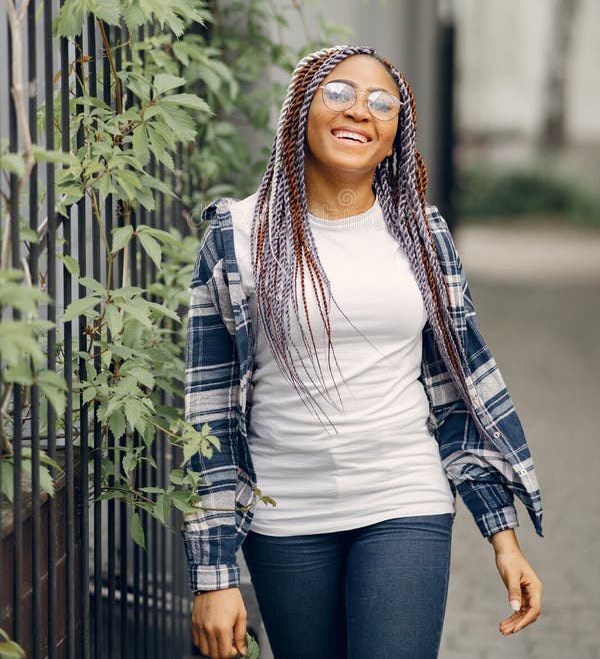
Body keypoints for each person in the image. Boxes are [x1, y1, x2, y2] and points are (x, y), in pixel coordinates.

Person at [183, 45, 543, 659]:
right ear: (301, 109)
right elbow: (208, 413)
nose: (360, 112)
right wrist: (213, 576)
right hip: (284, 513)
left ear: (394, 135)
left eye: (382, 103)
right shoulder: (237, 235)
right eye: (340, 93)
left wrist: (502, 536)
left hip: (404, 495)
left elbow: (461, 393)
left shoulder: (423, 236)